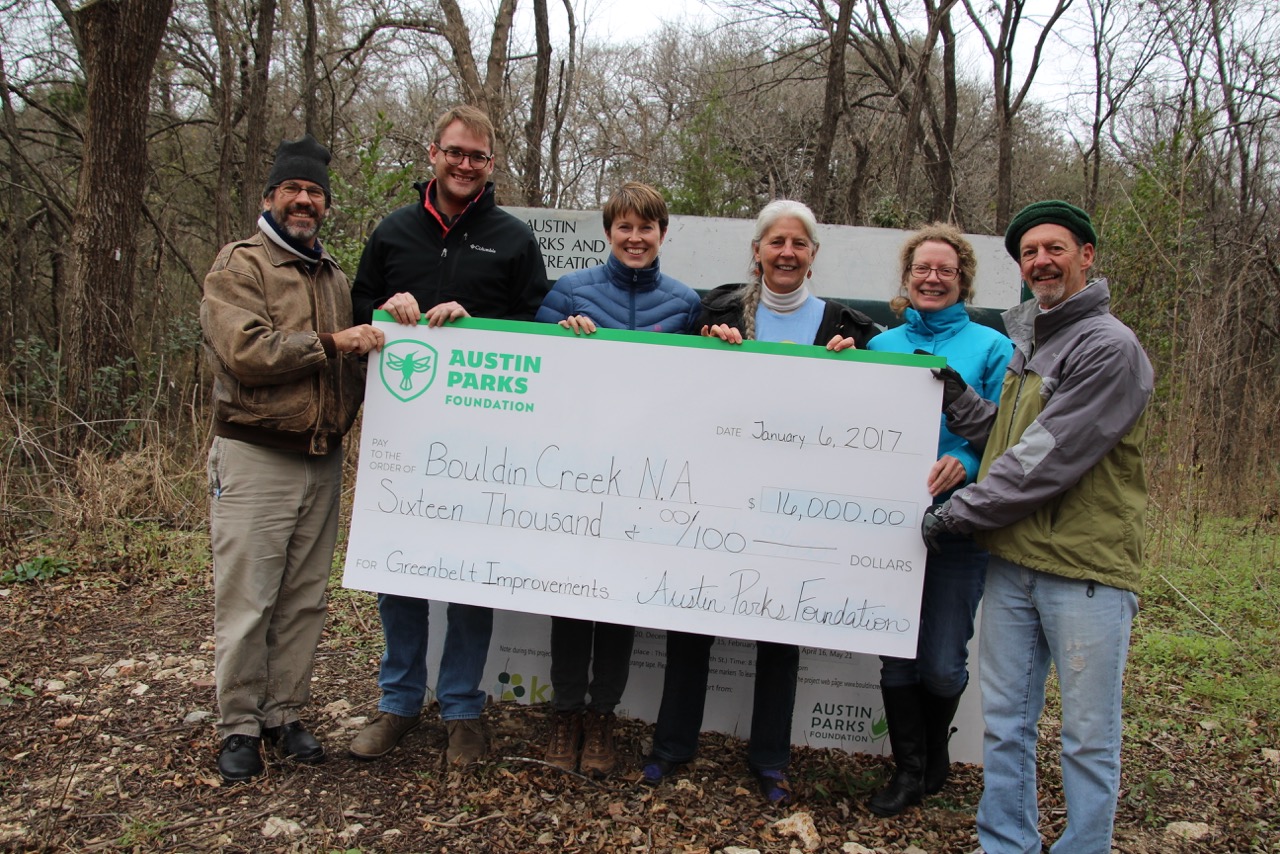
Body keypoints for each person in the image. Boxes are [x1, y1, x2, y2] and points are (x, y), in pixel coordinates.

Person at [921, 200, 1153, 853]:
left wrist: (955, 514)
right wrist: (952, 395)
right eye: (1029, 253)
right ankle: (1006, 844)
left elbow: (1045, 458)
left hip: (1084, 573)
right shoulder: (1036, 340)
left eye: (1055, 248)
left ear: (1087, 256)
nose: (1042, 261)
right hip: (1016, 563)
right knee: (1006, 724)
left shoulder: (1109, 347)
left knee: (1086, 735)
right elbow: (1009, 439)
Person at [642, 199, 878, 804]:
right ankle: (671, 747)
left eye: (799, 244)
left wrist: (860, 369)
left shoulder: (845, 326)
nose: (787, 253)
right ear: (757, 251)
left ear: (813, 255)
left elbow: (879, 406)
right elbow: (669, 381)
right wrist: (706, 343)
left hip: (797, 506)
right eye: (776, 242)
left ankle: (770, 760)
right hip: (714, 497)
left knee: (781, 634)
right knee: (691, 621)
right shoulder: (716, 309)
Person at [347, 105, 548, 766]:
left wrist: (479, 320)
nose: (465, 165)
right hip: (401, 444)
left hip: (486, 447)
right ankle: (398, 703)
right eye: (455, 152)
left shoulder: (514, 240)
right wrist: (387, 310)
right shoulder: (393, 233)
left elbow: (538, 334)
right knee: (398, 572)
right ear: (432, 154)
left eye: (478, 157)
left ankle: (463, 710)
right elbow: (356, 319)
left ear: (491, 166)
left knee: (472, 578)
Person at [200, 135, 385, 783]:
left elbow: (356, 359)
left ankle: (284, 714)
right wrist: (333, 343)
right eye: (293, 190)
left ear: (325, 205)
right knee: (249, 597)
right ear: (270, 197)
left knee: (305, 599)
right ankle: (239, 727)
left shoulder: (332, 274)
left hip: (321, 458)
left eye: (314, 193)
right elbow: (245, 351)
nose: (304, 201)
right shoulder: (240, 266)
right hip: (256, 453)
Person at [534, 181, 701, 778]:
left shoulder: (686, 303)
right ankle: (564, 713)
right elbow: (541, 378)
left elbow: (698, 390)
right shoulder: (569, 291)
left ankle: (601, 716)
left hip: (646, 481)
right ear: (608, 232)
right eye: (625, 227)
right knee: (572, 598)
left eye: (647, 227)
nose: (636, 238)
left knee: (619, 600)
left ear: (662, 234)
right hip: (577, 474)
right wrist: (561, 339)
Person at [863, 224, 1013, 816]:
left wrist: (969, 459)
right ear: (906, 278)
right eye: (922, 268)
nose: (931, 277)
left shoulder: (993, 347)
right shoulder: (882, 347)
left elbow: (1008, 435)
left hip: (960, 523)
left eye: (944, 270)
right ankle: (910, 769)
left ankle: (934, 750)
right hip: (890, 525)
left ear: (962, 280)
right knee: (895, 652)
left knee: (945, 661)